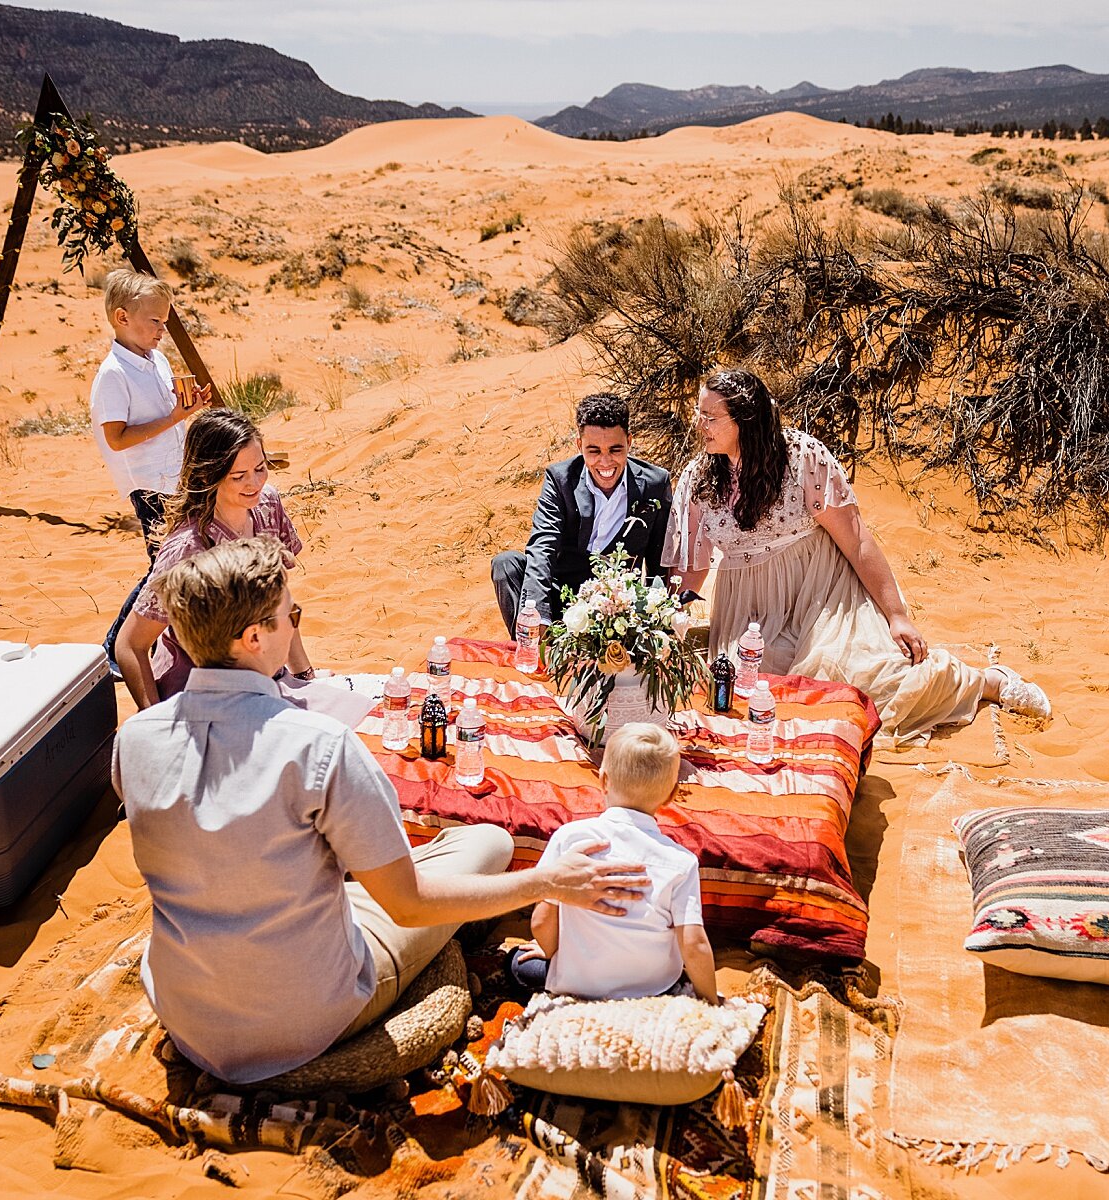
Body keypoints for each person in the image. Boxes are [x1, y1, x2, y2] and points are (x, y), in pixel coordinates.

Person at [113, 536, 649, 1084]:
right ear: (254, 637)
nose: (295, 626)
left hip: (185, 1008)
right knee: (490, 844)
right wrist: (548, 883)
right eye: (289, 616)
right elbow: (409, 906)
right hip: (304, 1012)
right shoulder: (317, 745)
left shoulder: (133, 739)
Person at [663, 367, 1050, 746]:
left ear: (746, 420)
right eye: (700, 413)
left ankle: (987, 681)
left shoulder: (802, 457)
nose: (699, 425)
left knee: (860, 677)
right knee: (762, 689)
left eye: (710, 417)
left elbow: (856, 539)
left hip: (821, 591)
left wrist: (896, 614)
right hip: (750, 612)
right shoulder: (699, 478)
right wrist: (665, 621)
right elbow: (692, 566)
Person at [506, 722, 719, 1003]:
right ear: (670, 795)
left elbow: (542, 918)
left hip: (577, 983)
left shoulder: (570, 838)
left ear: (603, 780)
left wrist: (548, 949)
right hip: (654, 990)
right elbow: (693, 944)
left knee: (516, 964)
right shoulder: (681, 862)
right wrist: (712, 1003)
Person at [114, 408, 312, 708]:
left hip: (261, 685)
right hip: (196, 698)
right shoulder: (187, 548)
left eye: (260, 468)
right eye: (239, 476)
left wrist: (304, 677)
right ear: (210, 474)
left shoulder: (267, 504)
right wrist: (155, 722)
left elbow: (277, 602)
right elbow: (130, 645)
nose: (254, 483)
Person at [491, 392, 672, 638]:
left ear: (629, 442)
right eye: (594, 450)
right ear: (579, 446)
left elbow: (658, 560)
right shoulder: (560, 478)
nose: (605, 461)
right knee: (506, 564)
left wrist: (658, 623)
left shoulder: (655, 483)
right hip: (560, 593)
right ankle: (531, 644)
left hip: (614, 605)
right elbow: (543, 546)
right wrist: (538, 614)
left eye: (616, 449)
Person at [89, 268, 207, 558]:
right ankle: (136, 607)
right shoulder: (114, 373)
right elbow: (116, 440)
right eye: (155, 321)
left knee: (187, 559)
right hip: (149, 487)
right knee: (164, 567)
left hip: (176, 476)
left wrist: (188, 407)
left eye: (165, 322)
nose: (162, 330)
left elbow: (166, 412)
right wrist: (174, 418)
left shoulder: (158, 360)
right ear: (122, 318)